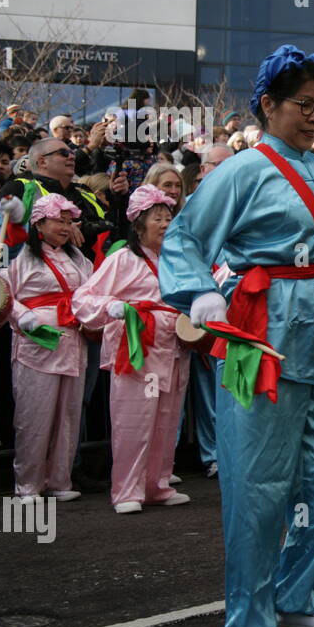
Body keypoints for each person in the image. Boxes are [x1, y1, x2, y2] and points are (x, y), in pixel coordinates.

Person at [159, 44, 314, 627]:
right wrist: (201, 295)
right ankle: (250, 614)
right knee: (258, 481)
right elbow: (183, 239)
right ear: (267, 105)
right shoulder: (240, 170)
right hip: (261, 331)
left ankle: (298, 597)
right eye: (304, 104)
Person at [73, 186, 191, 513]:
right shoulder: (123, 258)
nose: (166, 224)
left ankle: (158, 484)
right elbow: (83, 297)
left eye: (169, 218)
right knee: (134, 420)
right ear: (139, 225)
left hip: (174, 345)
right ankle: (127, 491)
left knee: (167, 420)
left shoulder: (177, 258)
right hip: (139, 346)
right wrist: (112, 307)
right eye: (158, 218)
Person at [5, 194, 94, 502]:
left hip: (72, 341)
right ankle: (27, 484)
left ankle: (60, 480)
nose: (66, 227)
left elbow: (93, 289)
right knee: (34, 415)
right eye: (59, 221)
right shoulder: (21, 258)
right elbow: (2, 294)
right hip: (37, 343)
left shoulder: (79, 258)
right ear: (39, 223)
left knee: (67, 416)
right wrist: (22, 316)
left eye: (69, 222)